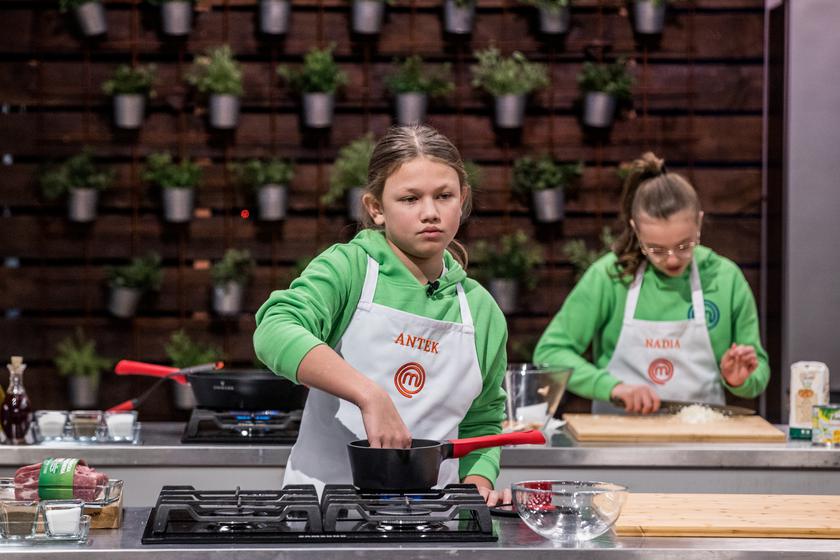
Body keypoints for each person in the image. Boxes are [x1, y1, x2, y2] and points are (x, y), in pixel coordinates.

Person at [254, 125, 509, 504]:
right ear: (376, 208)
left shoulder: (481, 309)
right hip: (324, 513)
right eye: (409, 199)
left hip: (434, 519)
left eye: (444, 196)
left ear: (463, 200)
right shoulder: (349, 268)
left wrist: (477, 483)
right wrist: (369, 395)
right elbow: (274, 328)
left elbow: (482, 420)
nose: (430, 212)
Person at [534, 152, 770, 414]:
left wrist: (740, 379)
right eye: (656, 249)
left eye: (684, 245)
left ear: (699, 222)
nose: (671, 260)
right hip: (617, 442)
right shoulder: (610, 276)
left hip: (701, 442)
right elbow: (550, 354)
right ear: (636, 230)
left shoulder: (725, 278)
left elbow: (757, 370)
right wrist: (612, 388)